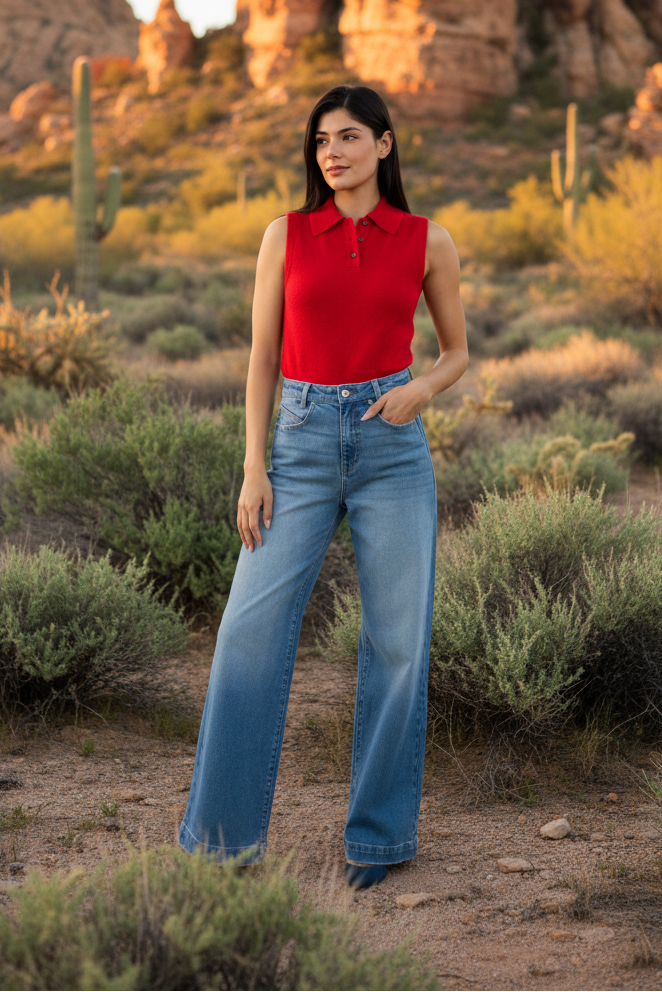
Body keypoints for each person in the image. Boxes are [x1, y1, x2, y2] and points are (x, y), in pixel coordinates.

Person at [179, 84, 468, 890]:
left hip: (392, 446)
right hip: (300, 445)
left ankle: (377, 841)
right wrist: (252, 465)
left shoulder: (426, 239)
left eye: (347, 137)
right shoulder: (286, 235)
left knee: (400, 642)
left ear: (384, 144)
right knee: (246, 632)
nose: (331, 153)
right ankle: (219, 843)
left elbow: (457, 352)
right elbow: (262, 359)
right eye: (319, 141)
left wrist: (420, 392)